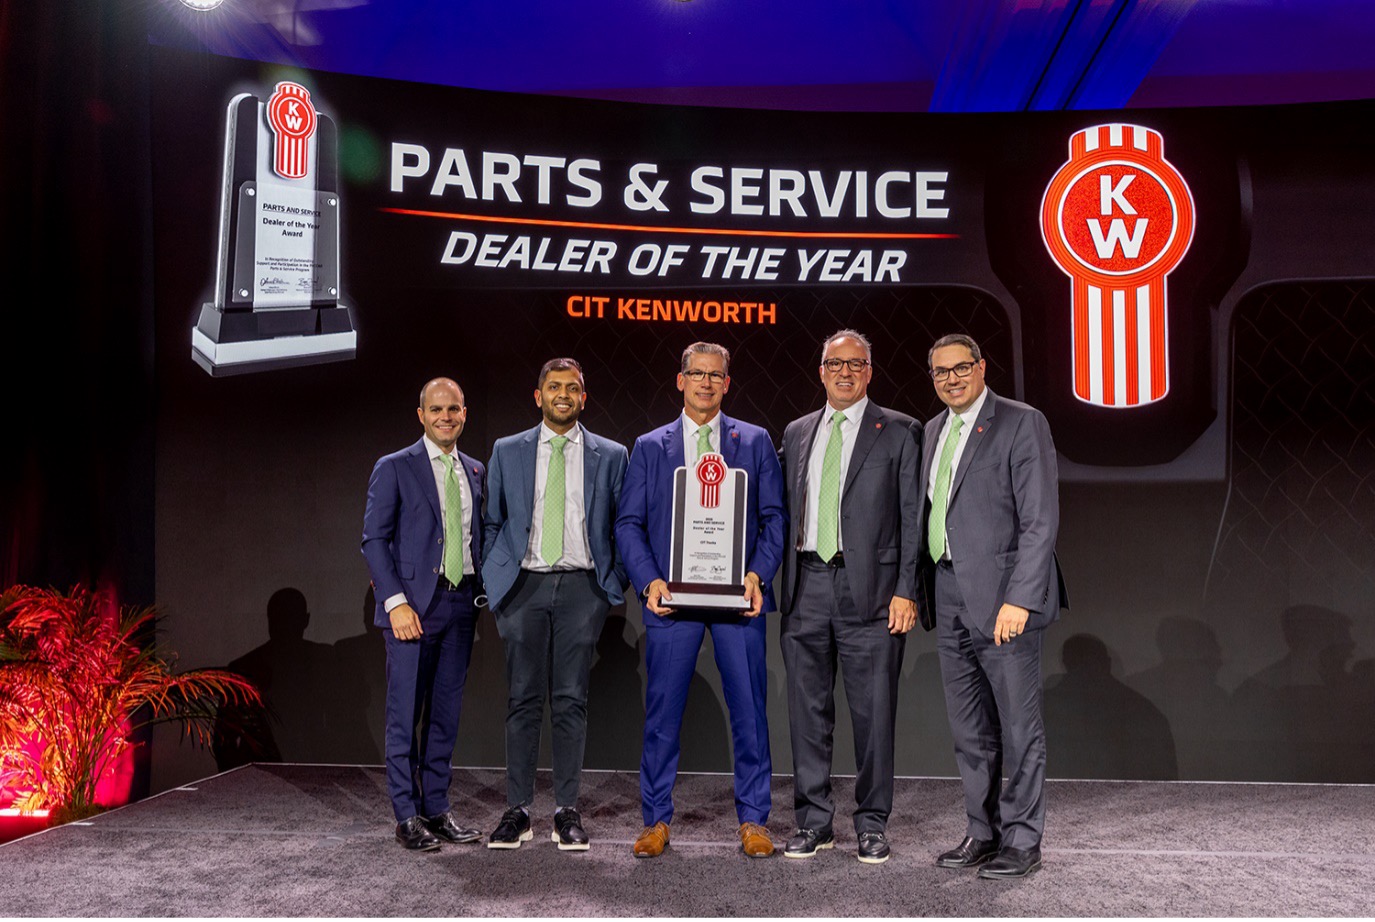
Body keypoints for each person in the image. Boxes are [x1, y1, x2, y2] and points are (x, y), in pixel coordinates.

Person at [614, 342, 787, 860]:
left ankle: (754, 819)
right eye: (697, 374)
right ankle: (656, 820)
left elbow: (774, 519)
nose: (706, 383)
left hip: (739, 599)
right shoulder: (651, 446)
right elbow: (629, 523)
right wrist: (650, 581)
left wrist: (757, 575)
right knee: (662, 716)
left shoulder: (754, 441)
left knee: (750, 713)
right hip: (672, 600)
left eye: (715, 375)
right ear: (681, 380)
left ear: (727, 383)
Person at [918, 334, 1068, 879]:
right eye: (941, 372)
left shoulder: (1021, 422)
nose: (951, 379)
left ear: (981, 367)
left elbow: (1039, 520)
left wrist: (1020, 599)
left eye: (961, 368)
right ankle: (982, 833)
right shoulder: (932, 430)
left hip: (1004, 599)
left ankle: (1023, 841)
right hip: (948, 592)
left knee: (1019, 729)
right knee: (969, 729)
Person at [777, 330, 922, 865]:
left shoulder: (900, 430)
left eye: (855, 364)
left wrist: (907, 589)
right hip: (806, 585)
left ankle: (872, 823)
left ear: (869, 371)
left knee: (874, 714)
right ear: (821, 371)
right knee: (807, 712)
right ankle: (814, 822)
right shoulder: (797, 431)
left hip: (874, 593)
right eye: (835, 364)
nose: (845, 372)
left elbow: (913, 516)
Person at [481, 358, 629, 851]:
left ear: (584, 397)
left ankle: (567, 810)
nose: (562, 394)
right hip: (522, 588)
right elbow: (492, 521)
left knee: (570, 700)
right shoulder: (507, 450)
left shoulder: (612, 454)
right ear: (538, 395)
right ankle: (518, 811)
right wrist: (496, 578)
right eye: (553, 386)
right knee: (523, 699)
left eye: (572, 387)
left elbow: (623, 524)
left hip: (583, 590)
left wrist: (613, 582)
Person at [361, 377, 485, 851]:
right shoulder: (395, 466)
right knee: (404, 713)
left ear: (464, 413)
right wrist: (395, 603)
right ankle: (406, 815)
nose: (445, 417)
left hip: (461, 605)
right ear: (421, 415)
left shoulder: (474, 470)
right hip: (412, 609)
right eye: (436, 410)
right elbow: (374, 540)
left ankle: (436, 808)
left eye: (453, 409)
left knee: (445, 716)